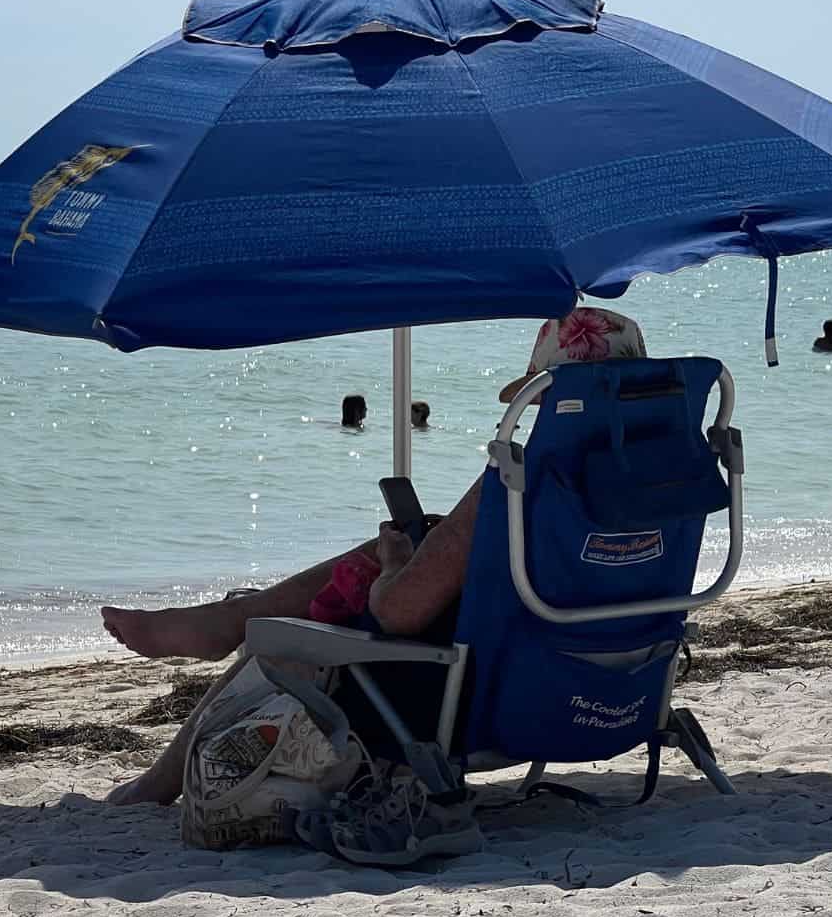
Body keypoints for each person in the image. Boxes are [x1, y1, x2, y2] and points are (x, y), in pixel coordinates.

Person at [102, 306, 651, 805]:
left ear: (550, 397)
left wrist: (394, 566)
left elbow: (398, 614)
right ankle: (225, 620)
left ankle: (161, 776)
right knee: (425, 539)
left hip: (481, 701)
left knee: (282, 640)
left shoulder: (518, 483)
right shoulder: (667, 487)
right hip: (610, 693)